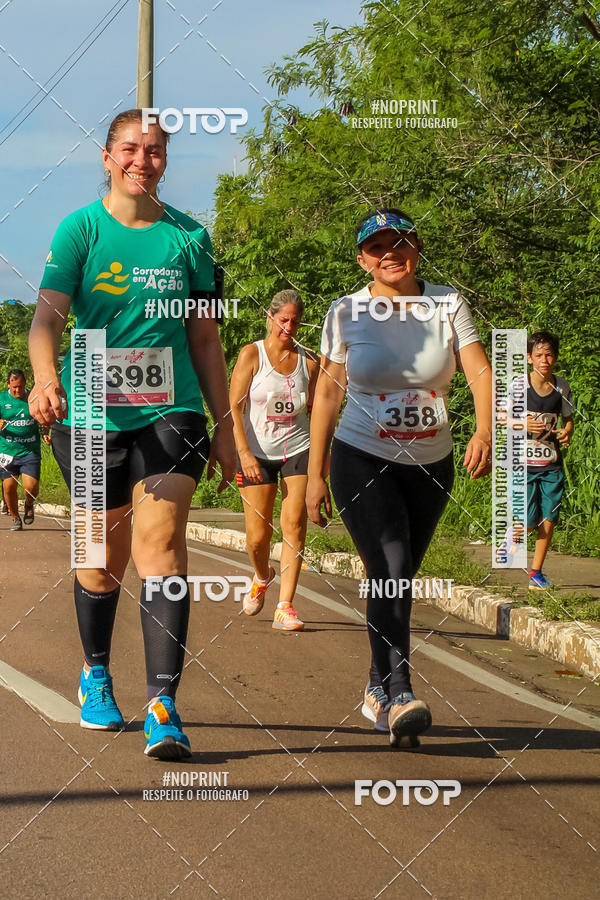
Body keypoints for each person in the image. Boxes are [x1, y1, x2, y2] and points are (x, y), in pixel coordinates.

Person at [28, 109, 235, 760]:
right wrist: (43, 380)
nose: (142, 161)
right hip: (88, 414)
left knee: (161, 543)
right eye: (130, 149)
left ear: (165, 162)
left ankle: (163, 704)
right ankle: (95, 671)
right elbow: (46, 322)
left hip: (169, 409)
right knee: (100, 559)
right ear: (107, 156)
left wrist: (226, 430)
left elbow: (205, 340)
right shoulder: (80, 230)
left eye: (154, 152)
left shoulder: (190, 239)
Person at [306, 208, 492, 746]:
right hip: (361, 456)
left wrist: (482, 430)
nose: (392, 252)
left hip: (431, 463)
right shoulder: (346, 312)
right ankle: (400, 689)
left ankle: (375, 686)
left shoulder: (448, 304)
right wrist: (315, 475)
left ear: (418, 249)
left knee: (400, 573)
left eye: (402, 242)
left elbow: (479, 370)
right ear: (363, 258)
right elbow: (326, 394)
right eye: (379, 245)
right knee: (389, 560)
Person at [229, 290, 318, 631]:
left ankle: (286, 605)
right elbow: (233, 407)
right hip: (256, 453)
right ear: (270, 316)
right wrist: (244, 453)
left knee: (293, 523)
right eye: (283, 320)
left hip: (298, 448)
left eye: (295, 321)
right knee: (257, 537)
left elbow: (320, 411)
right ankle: (262, 575)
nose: (289, 327)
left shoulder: (310, 361)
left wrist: (323, 461)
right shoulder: (252, 354)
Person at [523, 331, 573, 589]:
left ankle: (536, 573)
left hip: (552, 464)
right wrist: (520, 421)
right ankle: (510, 543)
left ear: (556, 357)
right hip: (523, 466)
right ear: (530, 358)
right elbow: (500, 418)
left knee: (549, 519)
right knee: (529, 523)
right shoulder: (519, 386)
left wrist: (567, 432)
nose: (545, 360)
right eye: (539, 355)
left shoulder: (562, 386)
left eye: (550, 354)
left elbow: (568, 419)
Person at [0, 369, 49, 530]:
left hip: (30, 451)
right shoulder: (2, 399)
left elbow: (45, 417)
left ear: (25, 384)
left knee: (31, 488)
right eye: (14, 387)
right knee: (8, 487)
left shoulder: (33, 398)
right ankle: (15, 517)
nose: (17, 390)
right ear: (8, 384)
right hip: (7, 452)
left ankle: (29, 504)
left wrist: (46, 433)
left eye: (20, 386)